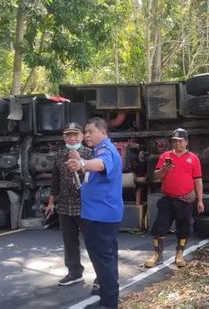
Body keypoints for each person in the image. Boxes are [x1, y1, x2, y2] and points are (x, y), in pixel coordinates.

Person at [66, 117, 123, 309]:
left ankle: (108, 303)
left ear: (103, 132)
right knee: (107, 259)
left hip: (100, 216)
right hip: (99, 214)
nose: (87, 135)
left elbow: (100, 165)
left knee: (103, 261)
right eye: (86, 132)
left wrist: (82, 165)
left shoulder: (106, 151)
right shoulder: (97, 151)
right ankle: (108, 296)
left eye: (90, 131)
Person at [144, 128, 204, 268]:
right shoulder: (165, 156)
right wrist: (164, 169)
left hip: (185, 200)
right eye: (175, 141)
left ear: (186, 142)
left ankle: (179, 254)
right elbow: (156, 176)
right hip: (168, 198)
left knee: (184, 228)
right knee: (160, 226)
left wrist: (200, 200)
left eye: (180, 141)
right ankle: (157, 254)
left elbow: (198, 180)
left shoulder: (193, 158)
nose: (177, 144)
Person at [45, 122, 93, 287]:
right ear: (64, 137)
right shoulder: (59, 155)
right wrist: (51, 202)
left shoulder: (89, 153)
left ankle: (101, 275)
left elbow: (96, 179)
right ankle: (74, 272)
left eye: (75, 135)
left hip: (85, 205)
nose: (72, 138)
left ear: (82, 136)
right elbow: (55, 181)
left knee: (93, 240)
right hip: (65, 205)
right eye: (68, 135)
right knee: (69, 241)